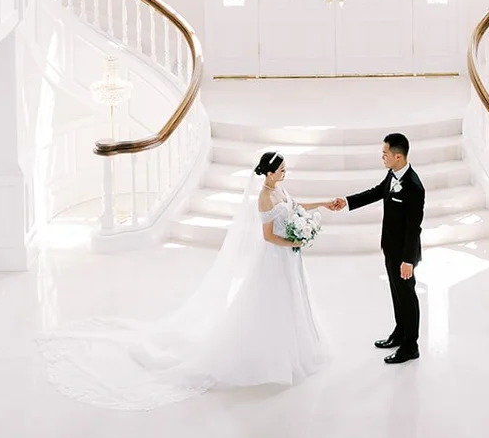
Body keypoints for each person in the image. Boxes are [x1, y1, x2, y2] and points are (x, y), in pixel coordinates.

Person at [38, 151, 336, 407]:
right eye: (281, 170)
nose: (285, 174)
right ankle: (267, 355)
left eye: (285, 170)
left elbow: (295, 208)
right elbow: (268, 236)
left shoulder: (280, 190)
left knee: (290, 299)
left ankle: (293, 350)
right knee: (269, 303)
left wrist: (321, 205)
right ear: (269, 173)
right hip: (275, 257)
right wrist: (294, 242)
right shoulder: (264, 197)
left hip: (288, 258)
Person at [330, 132, 425, 365]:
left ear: (398, 156)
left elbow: (414, 228)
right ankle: (400, 333)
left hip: (404, 254)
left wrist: (408, 260)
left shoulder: (414, 186)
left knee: (407, 297)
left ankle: (410, 346)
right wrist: (347, 201)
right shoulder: (392, 174)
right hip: (390, 248)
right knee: (396, 293)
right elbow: (376, 192)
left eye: (385, 154)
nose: (382, 157)